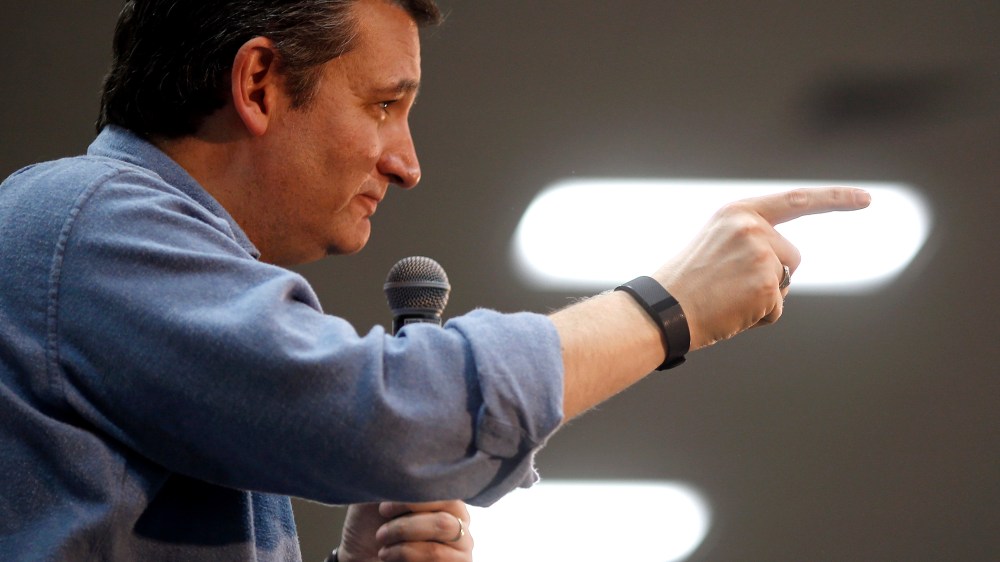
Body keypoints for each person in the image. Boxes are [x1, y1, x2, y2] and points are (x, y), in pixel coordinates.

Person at [0, 0, 871, 561]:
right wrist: (666, 308)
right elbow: (396, 413)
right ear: (259, 84)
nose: (407, 163)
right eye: (384, 105)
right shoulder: (82, 219)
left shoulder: (127, 265)